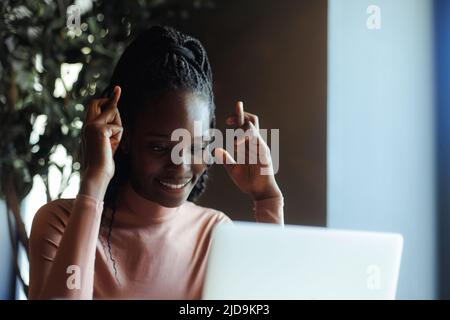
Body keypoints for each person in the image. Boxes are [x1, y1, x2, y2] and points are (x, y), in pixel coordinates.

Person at [28, 25, 284, 300]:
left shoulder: (215, 233)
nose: (181, 166)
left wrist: (267, 197)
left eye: (197, 146)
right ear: (123, 137)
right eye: (160, 147)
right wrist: (94, 182)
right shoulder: (60, 224)